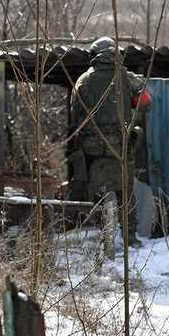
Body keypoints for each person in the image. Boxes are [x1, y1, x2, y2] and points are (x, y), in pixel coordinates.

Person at [68, 36, 151, 247]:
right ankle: (130, 238)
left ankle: (102, 237)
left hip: (93, 149)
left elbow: (75, 115)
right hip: (121, 146)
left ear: (95, 55)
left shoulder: (83, 80)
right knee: (125, 193)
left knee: (98, 192)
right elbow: (146, 103)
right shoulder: (127, 77)